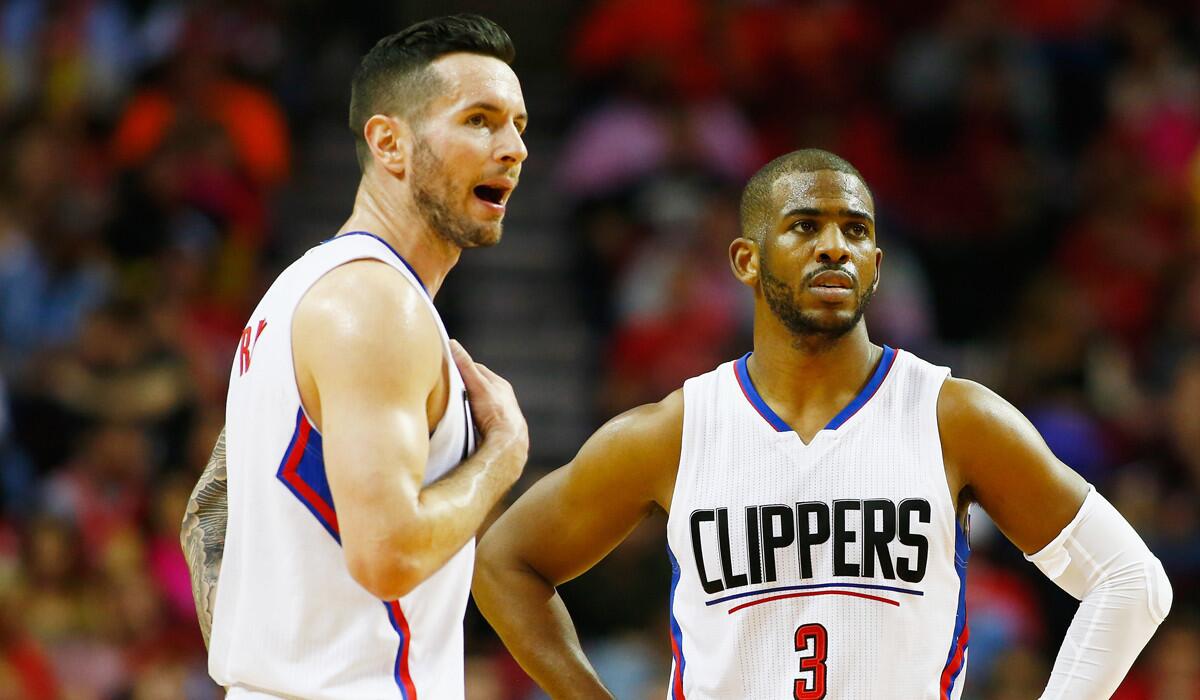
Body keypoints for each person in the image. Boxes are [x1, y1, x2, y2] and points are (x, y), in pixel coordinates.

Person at [473, 149, 1173, 699]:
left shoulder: (952, 417)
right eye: (806, 226)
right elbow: (507, 564)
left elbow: (1133, 581)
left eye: (856, 231)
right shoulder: (676, 431)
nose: (834, 246)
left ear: (875, 264)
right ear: (747, 260)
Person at [179, 14, 530, 699]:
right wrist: (502, 456)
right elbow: (389, 556)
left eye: (520, 124)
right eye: (481, 120)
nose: (513, 147)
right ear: (390, 143)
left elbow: (204, 521)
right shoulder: (374, 305)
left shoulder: (299, 293)